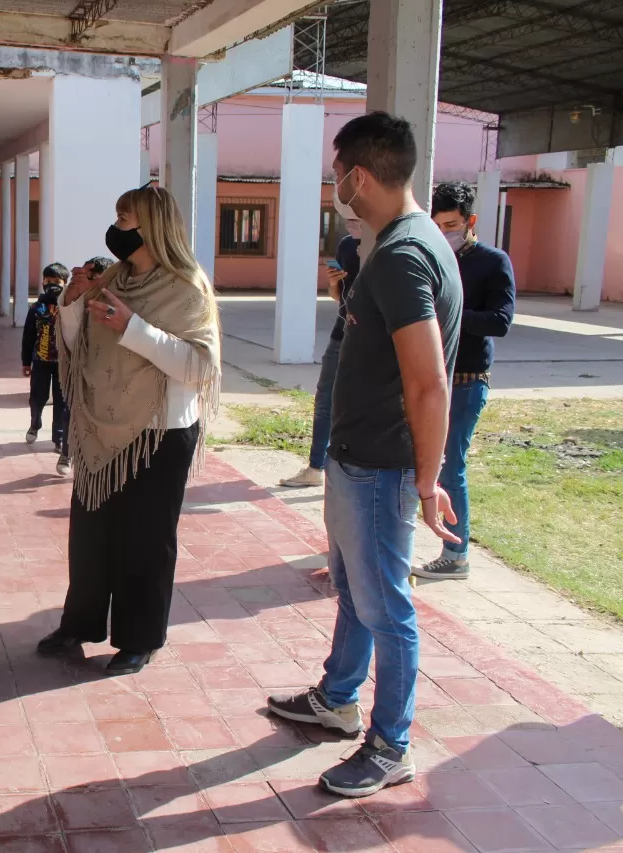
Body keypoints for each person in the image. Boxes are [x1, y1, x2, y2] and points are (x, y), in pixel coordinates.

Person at [266, 112, 462, 798]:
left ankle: (390, 743)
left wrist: (429, 477)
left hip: (381, 467)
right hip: (359, 460)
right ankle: (338, 697)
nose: (334, 184)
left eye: (337, 171)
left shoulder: (406, 255)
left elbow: (429, 379)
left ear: (361, 175)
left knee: (386, 606)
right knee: (353, 590)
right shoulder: (403, 242)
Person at [36, 185, 222, 676]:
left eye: (126, 218)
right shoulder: (112, 278)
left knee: (146, 541)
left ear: (153, 226)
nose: (117, 227)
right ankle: (80, 624)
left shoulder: (187, 286)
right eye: (117, 216)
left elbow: (199, 366)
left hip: (159, 433)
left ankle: (140, 639)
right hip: (101, 428)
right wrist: (73, 303)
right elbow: (81, 347)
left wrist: (134, 327)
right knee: (92, 534)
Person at [413, 181, 515, 581]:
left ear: (470, 221)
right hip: (433, 376)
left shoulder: (492, 261)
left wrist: (449, 316)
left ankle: (456, 554)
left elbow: (501, 321)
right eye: (437, 225)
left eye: (452, 225)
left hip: (468, 380)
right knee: (419, 462)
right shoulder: (433, 256)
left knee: (450, 467)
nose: (445, 234)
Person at [280, 220, 363, 488]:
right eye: (349, 221)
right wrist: (333, 283)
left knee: (361, 404)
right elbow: (337, 297)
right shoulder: (348, 245)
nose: (353, 226)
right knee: (325, 400)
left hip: (373, 342)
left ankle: (354, 470)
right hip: (341, 335)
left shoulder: (387, 245)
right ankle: (316, 467)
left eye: (357, 221)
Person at [22, 263, 71, 473]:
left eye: (57, 282)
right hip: (40, 362)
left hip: (63, 365)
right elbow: (28, 336)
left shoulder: (69, 308)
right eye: (48, 281)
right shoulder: (36, 308)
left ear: (65, 284)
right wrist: (26, 361)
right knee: (37, 397)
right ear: (43, 282)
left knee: (62, 402)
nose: (52, 285)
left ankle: (59, 438)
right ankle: (35, 423)